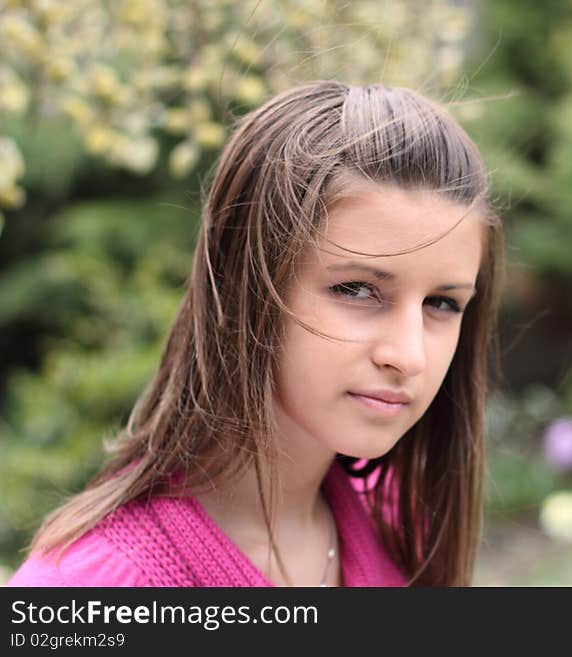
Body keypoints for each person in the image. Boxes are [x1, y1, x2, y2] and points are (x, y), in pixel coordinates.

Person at [8, 81, 504, 587]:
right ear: (246, 281)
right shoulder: (94, 585)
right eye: (357, 290)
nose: (409, 355)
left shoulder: (400, 525)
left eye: (442, 304)